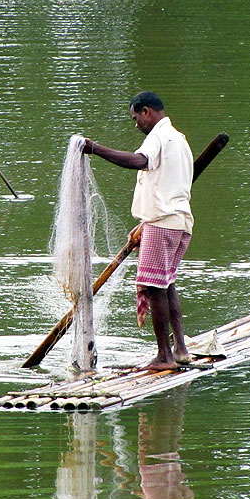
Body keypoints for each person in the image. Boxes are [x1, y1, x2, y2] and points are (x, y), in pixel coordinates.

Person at [82, 91, 194, 371]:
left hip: (163, 224)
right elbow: (168, 185)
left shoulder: (158, 137)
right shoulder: (179, 139)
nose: (136, 125)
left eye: (136, 118)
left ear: (147, 112)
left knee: (154, 288)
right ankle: (180, 349)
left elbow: (138, 161)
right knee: (167, 285)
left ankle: (164, 356)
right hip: (179, 222)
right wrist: (145, 221)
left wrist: (96, 149)